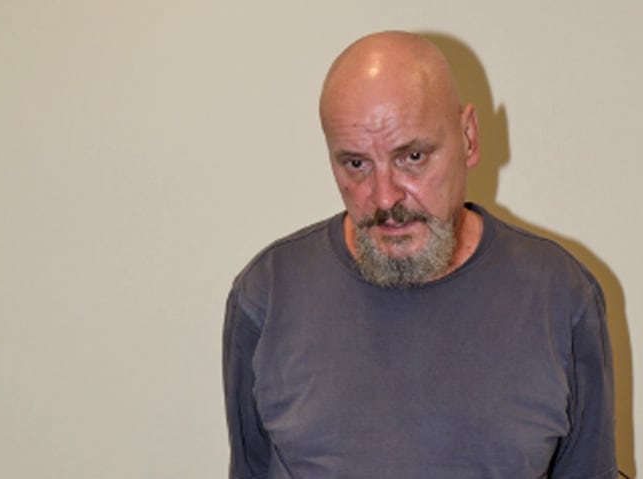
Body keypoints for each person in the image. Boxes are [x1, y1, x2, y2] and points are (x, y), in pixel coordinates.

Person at [223, 31, 617, 479]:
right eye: (356, 164)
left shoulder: (561, 296)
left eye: (412, 156)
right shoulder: (268, 295)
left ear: (468, 138)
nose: (385, 197)